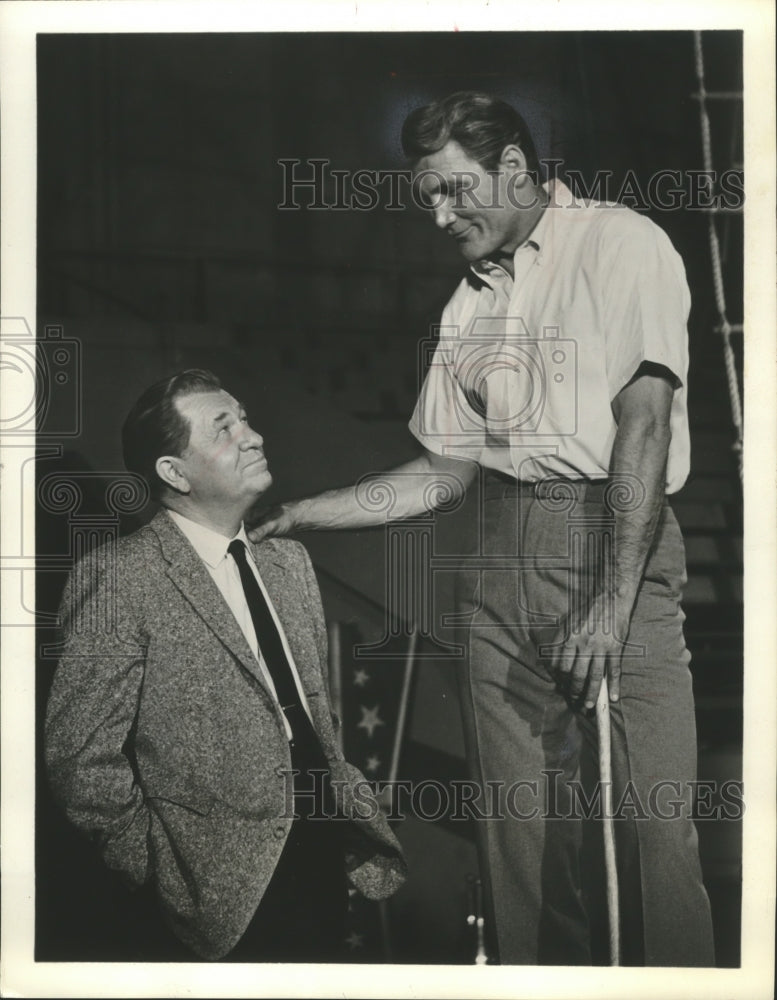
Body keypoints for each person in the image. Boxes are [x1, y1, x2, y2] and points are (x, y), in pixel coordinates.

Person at [249, 92, 716, 966]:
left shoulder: (620, 244)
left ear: (514, 169)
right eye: (426, 194)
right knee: (519, 840)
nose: (438, 213)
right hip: (495, 554)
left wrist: (612, 604)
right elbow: (439, 473)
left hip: (611, 538)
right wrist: (309, 513)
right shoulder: (466, 304)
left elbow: (645, 424)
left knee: (652, 826)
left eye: (454, 189)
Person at [45, 369, 406, 962]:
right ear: (174, 472)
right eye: (224, 429)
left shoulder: (290, 564)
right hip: (215, 893)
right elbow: (80, 759)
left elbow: (314, 720)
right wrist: (164, 869)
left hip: (322, 855)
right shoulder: (120, 575)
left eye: (246, 419)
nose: (253, 436)